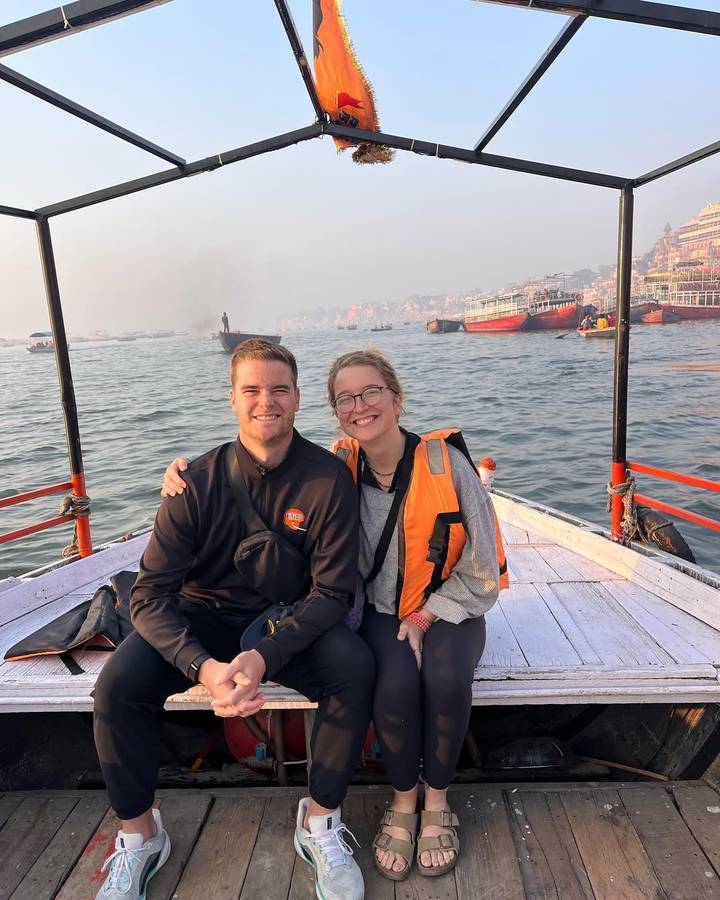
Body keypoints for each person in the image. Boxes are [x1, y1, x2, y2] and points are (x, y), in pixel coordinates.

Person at [163, 348, 506, 882]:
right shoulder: (338, 467)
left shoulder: (449, 466)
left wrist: (426, 617)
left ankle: (438, 802)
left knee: (444, 675)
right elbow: (271, 467)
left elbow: (483, 572)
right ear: (334, 411)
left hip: (451, 605)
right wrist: (180, 471)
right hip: (379, 609)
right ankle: (403, 801)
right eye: (345, 398)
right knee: (391, 684)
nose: (360, 405)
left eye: (371, 392)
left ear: (396, 398)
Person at [95, 339, 372, 900]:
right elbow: (149, 594)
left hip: (284, 621)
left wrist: (265, 655)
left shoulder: (327, 479)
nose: (264, 401)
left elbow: (332, 594)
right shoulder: (192, 482)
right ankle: (140, 835)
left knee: (354, 666)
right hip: (201, 618)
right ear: (232, 399)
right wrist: (201, 666)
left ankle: (318, 820)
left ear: (297, 399)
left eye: (278, 389)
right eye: (251, 389)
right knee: (117, 686)